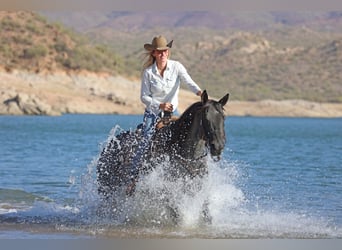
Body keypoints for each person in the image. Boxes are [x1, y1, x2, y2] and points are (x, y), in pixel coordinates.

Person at [126, 35, 202, 195]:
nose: (163, 54)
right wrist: (159, 105)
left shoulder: (176, 67)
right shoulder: (148, 73)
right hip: (153, 113)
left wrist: (198, 91)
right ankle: (133, 180)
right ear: (153, 53)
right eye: (159, 52)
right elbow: (144, 97)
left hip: (173, 112)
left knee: (186, 136)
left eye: (165, 51)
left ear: (168, 52)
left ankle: (193, 173)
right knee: (145, 141)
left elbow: (188, 81)